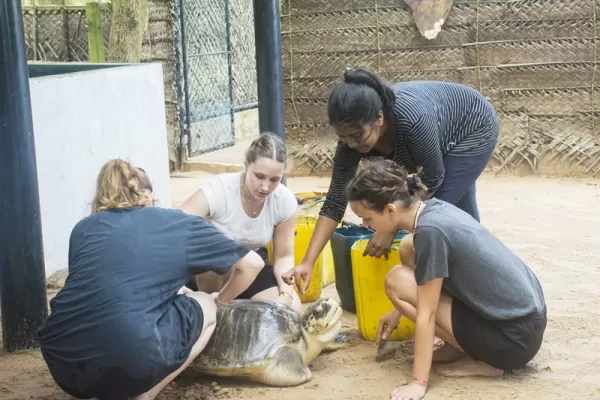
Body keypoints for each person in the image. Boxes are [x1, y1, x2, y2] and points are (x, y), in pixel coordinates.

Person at [37, 159, 265, 400]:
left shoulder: (82, 229)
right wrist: (219, 300)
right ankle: (143, 395)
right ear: (150, 194)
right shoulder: (176, 221)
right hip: (132, 359)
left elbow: (101, 289)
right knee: (206, 306)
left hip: (64, 365)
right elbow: (252, 264)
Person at [283, 68, 499, 293]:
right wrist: (307, 262)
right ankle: (477, 275)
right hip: (440, 128)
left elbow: (433, 179)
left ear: (379, 118)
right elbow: (335, 201)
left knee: (437, 213)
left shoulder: (411, 122)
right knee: (457, 211)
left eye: (357, 135)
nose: (351, 144)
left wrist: (389, 229)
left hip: (472, 126)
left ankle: (463, 287)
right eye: (342, 137)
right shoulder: (350, 143)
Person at [346, 159, 547, 400]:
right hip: (527, 323)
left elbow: (427, 313)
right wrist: (397, 311)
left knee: (396, 281)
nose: (365, 225)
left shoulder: (430, 232)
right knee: (408, 248)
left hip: (512, 342)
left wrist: (417, 383)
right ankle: (461, 346)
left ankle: (486, 360)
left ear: (390, 210)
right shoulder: (433, 209)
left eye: (367, 218)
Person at [180, 132, 302, 313]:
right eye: (259, 176)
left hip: (251, 269)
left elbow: (284, 256)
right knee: (219, 267)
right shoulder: (220, 189)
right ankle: (213, 307)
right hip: (211, 271)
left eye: (274, 179)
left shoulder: (284, 200)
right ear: (246, 165)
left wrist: (286, 294)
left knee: (293, 310)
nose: (265, 187)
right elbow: (179, 222)